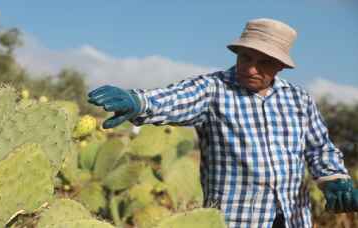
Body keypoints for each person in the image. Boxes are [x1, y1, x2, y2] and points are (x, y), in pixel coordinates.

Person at [87, 18, 358, 228]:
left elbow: (319, 148)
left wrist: (334, 179)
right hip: (236, 221)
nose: (251, 68)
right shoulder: (213, 89)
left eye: (264, 62)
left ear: (280, 66)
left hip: (293, 218)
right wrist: (138, 102)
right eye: (246, 57)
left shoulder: (299, 100)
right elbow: (173, 99)